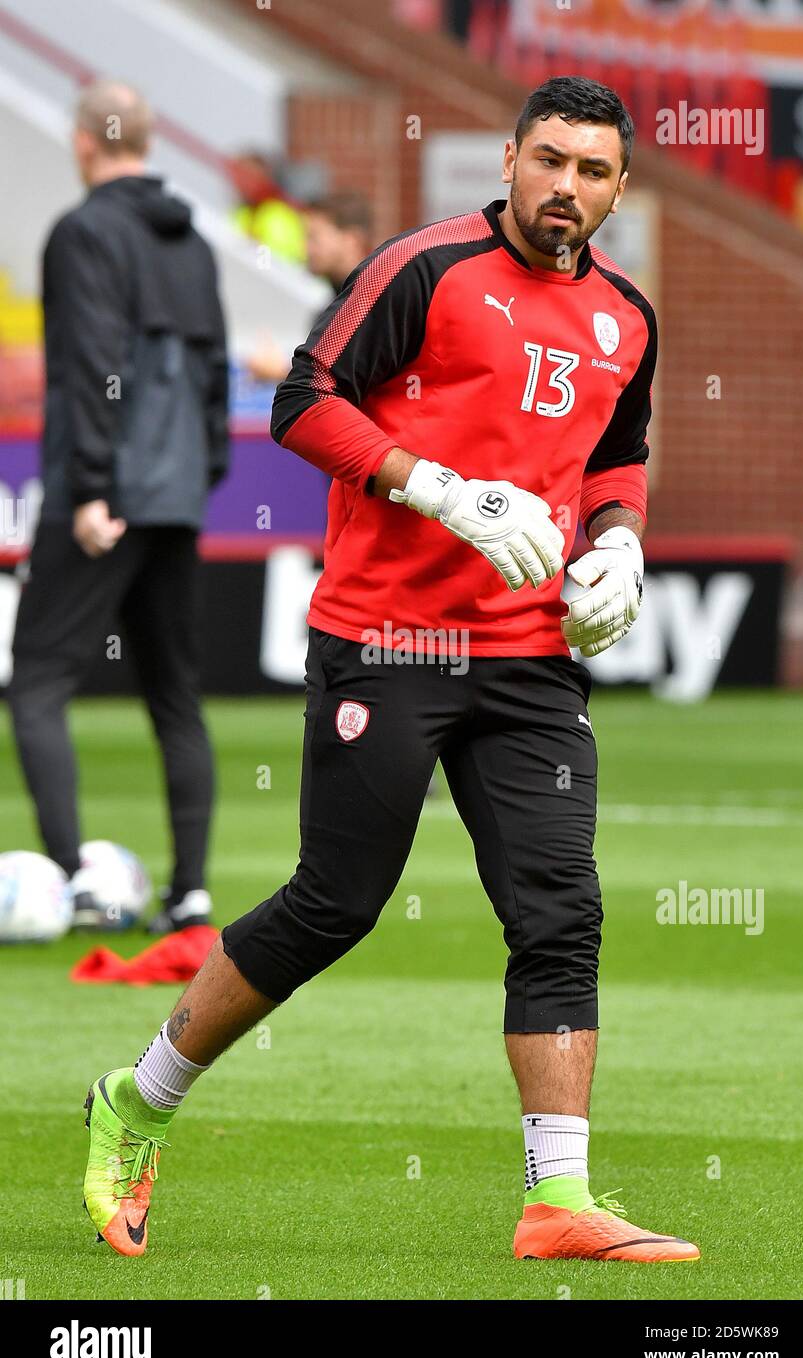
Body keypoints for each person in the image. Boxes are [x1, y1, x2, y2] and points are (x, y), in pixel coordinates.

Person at [82, 76, 700, 1265]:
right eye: (548, 160)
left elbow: (618, 455)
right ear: (511, 158)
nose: (564, 186)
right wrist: (435, 486)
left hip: (528, 656)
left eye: (591, 170)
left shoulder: (628, 312)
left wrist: (619, 546)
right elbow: (301, 400)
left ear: (620, 189)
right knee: (337, 903)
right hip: (388, 638)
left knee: (560, 908)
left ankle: (556, 1199)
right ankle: (138, 1098)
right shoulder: (424, 267)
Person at [8, 80, 228, 935]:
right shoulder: (196, 243)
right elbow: (212, 376)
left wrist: (96, 488)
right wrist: (200, 476)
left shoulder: (83, 232)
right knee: (175, 695)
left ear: (83, 141)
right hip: (175, 498)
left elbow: (90, 365)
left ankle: (70, 881)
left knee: (36, 684)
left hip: (101, 497)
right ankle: (193, 891)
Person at [246, 191, 373, 384]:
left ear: (352, 240)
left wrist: (281, 373)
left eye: (314, 238)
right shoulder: (334, 305)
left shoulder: (372, 304)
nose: (305, 248)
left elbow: (356, 386)